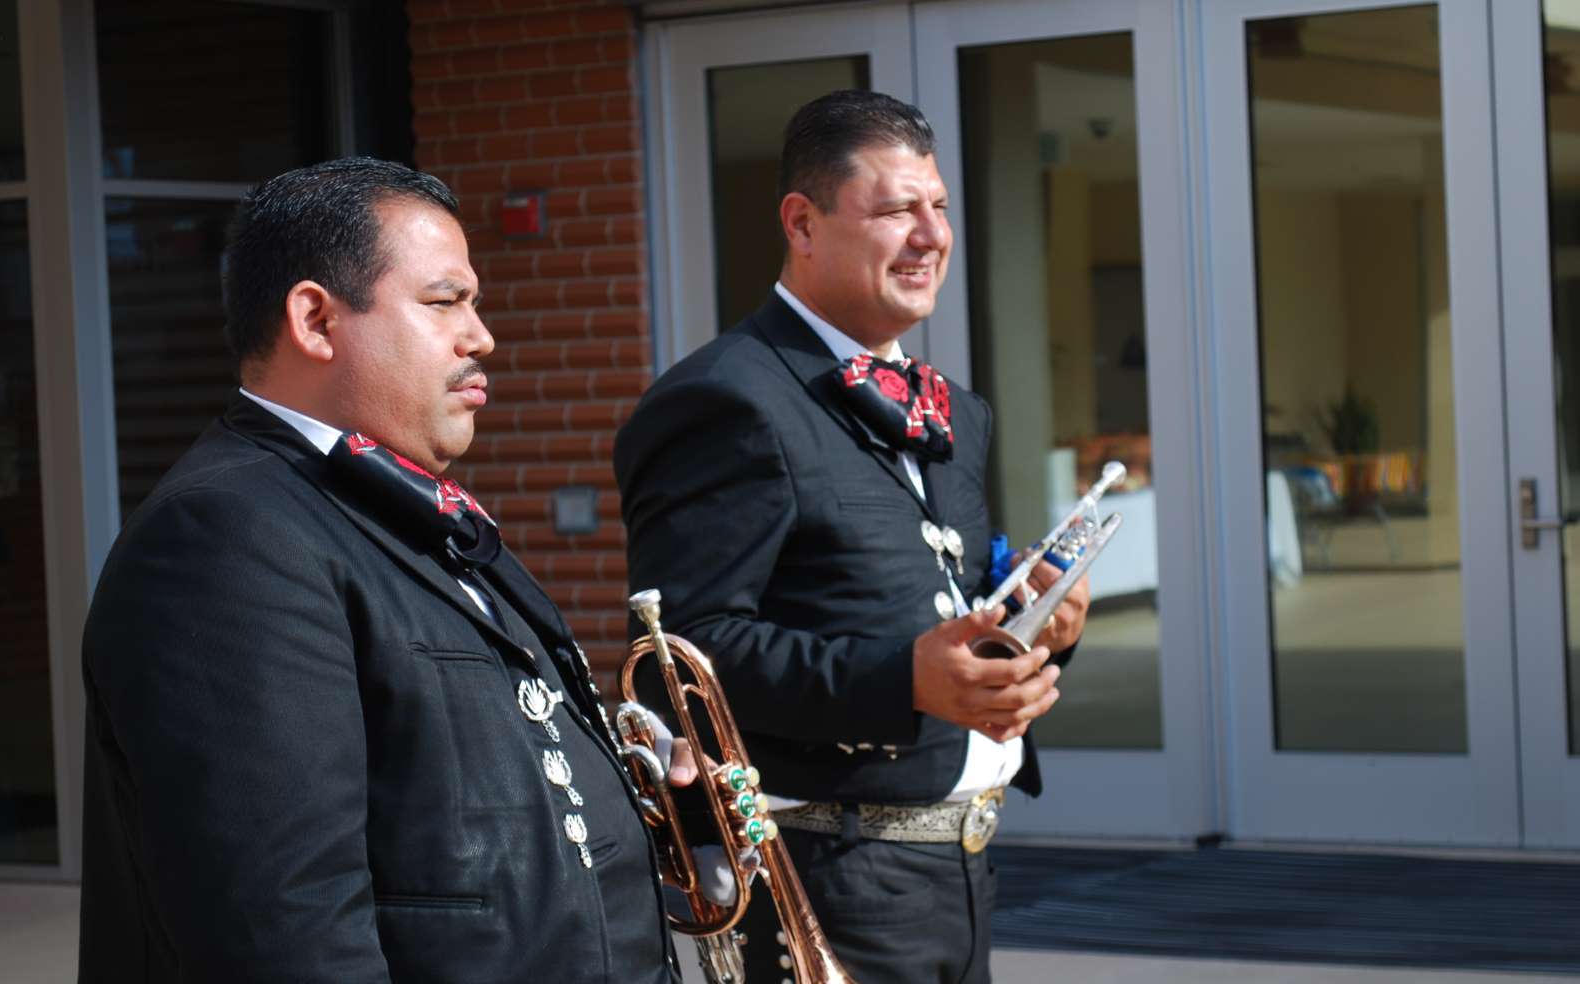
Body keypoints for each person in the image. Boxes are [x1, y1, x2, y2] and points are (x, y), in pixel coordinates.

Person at [80, 158, 688, 983]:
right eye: (444, 302)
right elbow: (285, 928)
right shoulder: (222, 537)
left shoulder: (397, 503)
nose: (480, 337)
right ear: (315, 320)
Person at [614, 90, 1091, 984]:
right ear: (802, 222)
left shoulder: (958, 409)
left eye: (938, 205)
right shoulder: (724, 398)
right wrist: (903, 682)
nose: (931, 235)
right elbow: (681, 660)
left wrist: (1033, 626)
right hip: (824, 877)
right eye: (895, 210)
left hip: (965, 869)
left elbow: (923, 602)